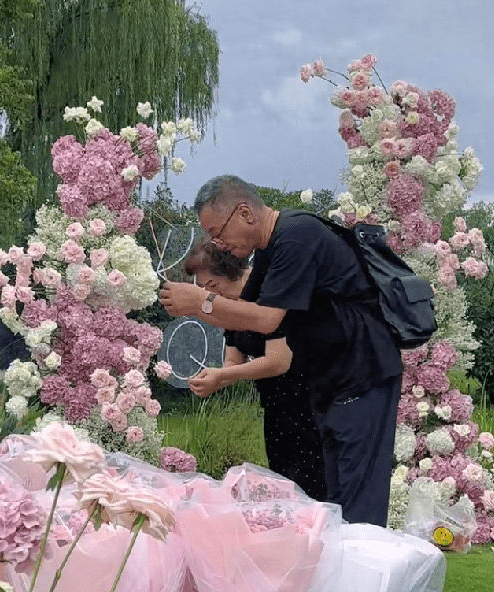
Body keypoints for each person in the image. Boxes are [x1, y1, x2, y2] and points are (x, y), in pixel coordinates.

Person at [160, 174, 403, 526]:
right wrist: (198, 305)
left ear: (245, 213)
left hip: (361, 376)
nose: (220, 244)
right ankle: (337, 579)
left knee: (357, 506)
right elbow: (247, 314)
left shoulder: (296, 236)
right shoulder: (269, 252)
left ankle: (367, 577)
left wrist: (203, 302)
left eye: (218, 232)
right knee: (332, 505)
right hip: (328, 386)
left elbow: (268, 320)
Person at [183, 239, 327, 501]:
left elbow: (278, 360)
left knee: (314, 486)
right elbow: (234, 361)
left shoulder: (269, 293)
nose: (211, 296)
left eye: (212, 286)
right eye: (203, 289)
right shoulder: (231, 307)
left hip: (311, 402)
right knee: (284, 485)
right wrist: (214, 378)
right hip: (276, 406)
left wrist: (224, 376)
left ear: (234, 272)